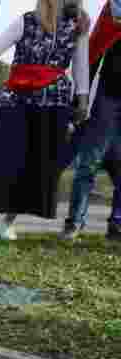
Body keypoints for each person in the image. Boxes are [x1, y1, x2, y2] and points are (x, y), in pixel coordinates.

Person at [0, 0, 89, 241]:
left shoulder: (79, 26)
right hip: (16, 99)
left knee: (37, 163)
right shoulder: (26, 20)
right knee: (0, 157)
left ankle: (8, 222)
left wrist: (82, 101)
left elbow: (81, 65)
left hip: (55, 101)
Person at [62, 0, 121, 241]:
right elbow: (94, 46)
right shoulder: (112, 9)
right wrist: (82, 96)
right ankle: (75, 222)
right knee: (90, 162)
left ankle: (117, 224)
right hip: (108, 94)